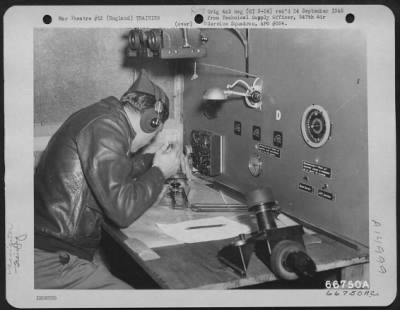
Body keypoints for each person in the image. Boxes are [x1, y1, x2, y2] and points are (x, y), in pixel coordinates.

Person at [34, 70, 184, 289]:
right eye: (156, 132)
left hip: (52, 248)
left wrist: (155, 160)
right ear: (150, 121)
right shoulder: (106, 128)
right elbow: (123, 210)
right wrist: (160, 172)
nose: (152, 139)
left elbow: (116, 169)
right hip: (55, 260)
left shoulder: (102, 117)